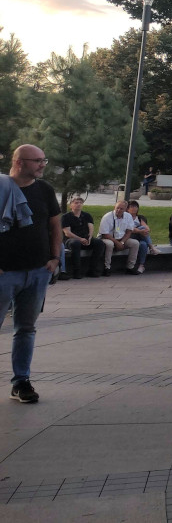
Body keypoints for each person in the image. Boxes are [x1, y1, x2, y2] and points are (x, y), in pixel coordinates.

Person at [0, 144, 61, 403]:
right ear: (19, 162)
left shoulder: (45, 190)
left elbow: (56, 225)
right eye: (37, 161)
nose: (42, 165)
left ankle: (21, 382)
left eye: (43, 160)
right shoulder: (1, 188)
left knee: (26, 328)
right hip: (5, 273)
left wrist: (54, 258)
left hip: (37, 271)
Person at [99, 200, 147, 275]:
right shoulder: (107, 217)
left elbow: (129, 231)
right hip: (107, 238)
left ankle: (130, 267)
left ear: (125, 209)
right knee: (110, 244)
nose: (119, 210)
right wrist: (117, 243)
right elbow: (105, 234)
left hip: (121, 238)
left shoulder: (128, 216)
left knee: (135, 243)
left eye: (121, 209)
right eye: (117, 208)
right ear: (114, 207)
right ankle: (107, 267)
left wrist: (122, 242)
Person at [60, 196, 102, 278]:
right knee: (75, 244)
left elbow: (91, 227)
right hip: (71, 240)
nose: (78, 204)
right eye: (76, 203)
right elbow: (67, 233)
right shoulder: (66, 217)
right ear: (71, 205)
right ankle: (77, 271)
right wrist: (80, 239)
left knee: (99, 243)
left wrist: (89, 238)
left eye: (80, 203)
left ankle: (92, 269)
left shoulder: (87, 216)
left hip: (85, 239)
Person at [125, 200, 158, 272]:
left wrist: (142, 231)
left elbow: (147, 228)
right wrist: (140, 231)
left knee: (143, 244)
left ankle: (141, 265)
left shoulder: (140, 217)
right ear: (127, 209)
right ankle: (151, 247)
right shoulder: (125, 217)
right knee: (141, 228)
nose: (134, 208)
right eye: (132, 206)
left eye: (136, 206)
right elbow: (130, 229)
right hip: (129, 237)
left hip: (140, 237)